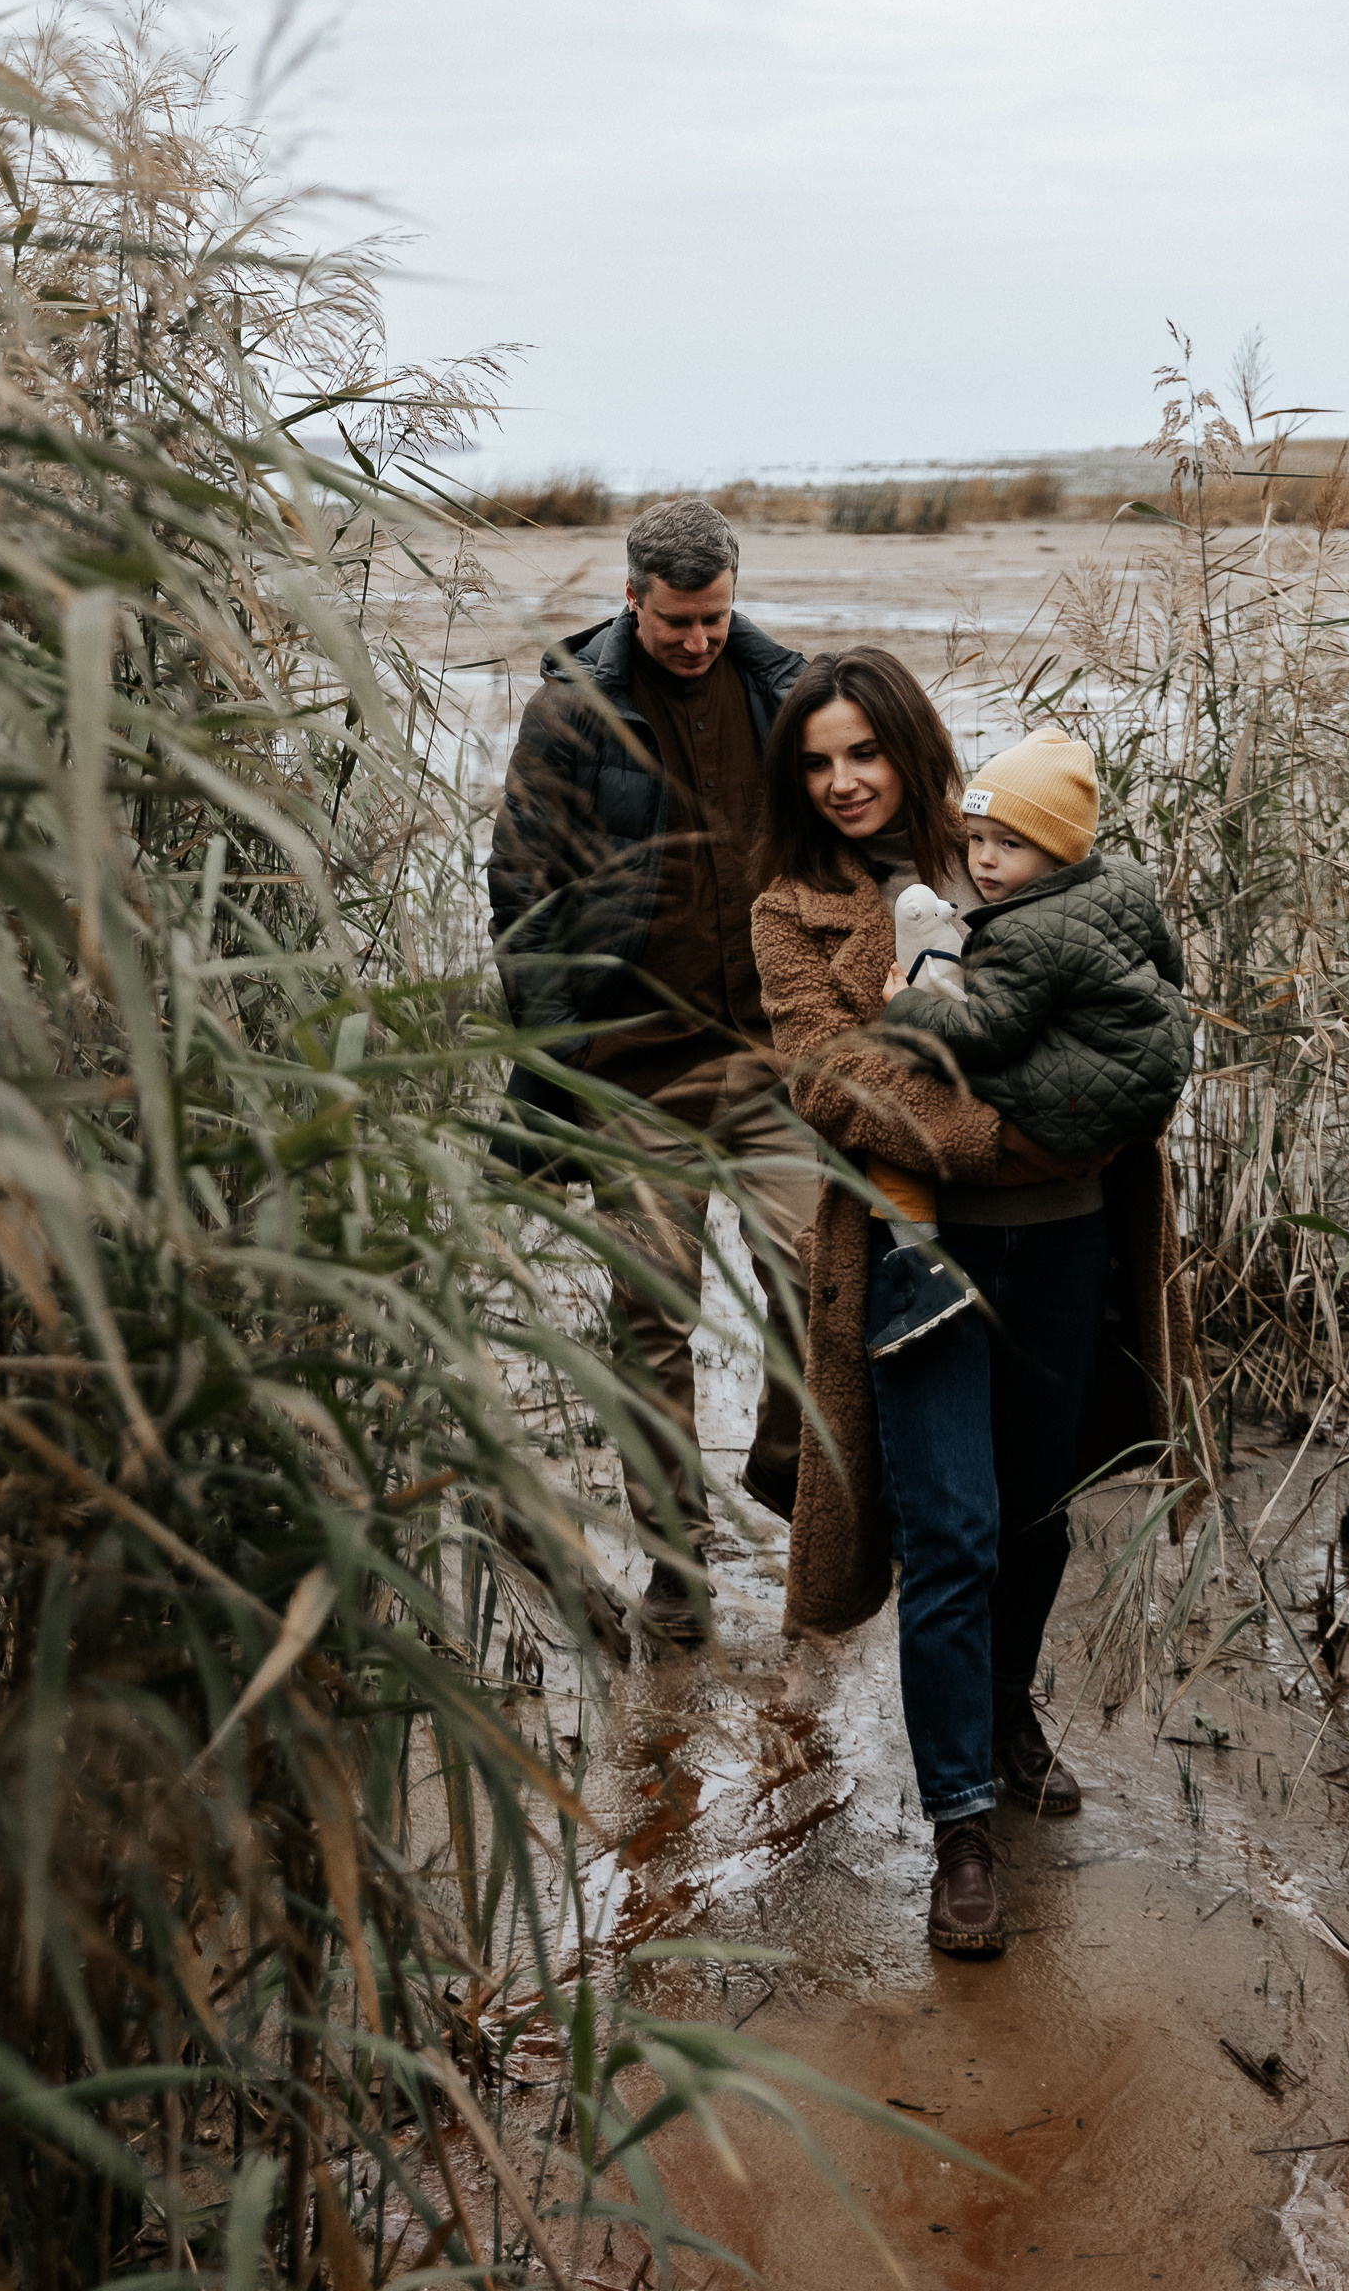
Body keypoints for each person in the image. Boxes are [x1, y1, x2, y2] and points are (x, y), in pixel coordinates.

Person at [748, 650, 1201, 1959]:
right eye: (817, 763)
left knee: (1033, 1514)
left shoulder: (1006, 851)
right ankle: (959, 1830)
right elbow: (830, 1081)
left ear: (909, 747)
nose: (841, 783)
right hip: (913, 1257)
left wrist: (1075, 1124)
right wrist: (1022, 1136)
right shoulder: (792, 912)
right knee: (949, 1534)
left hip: (1065, 1252)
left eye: (862, 754)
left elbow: (1139, 1003)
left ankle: (1006, 1714)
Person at [488, 494, 811, 1644]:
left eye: (713, 615)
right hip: (638, 1073)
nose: (695, 639)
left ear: (734, 592)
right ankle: (679, 1573)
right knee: (651, 1328)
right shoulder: (572, 711)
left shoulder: (783, 685)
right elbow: (523, 894)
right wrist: (565, 1064)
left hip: (772, 1057)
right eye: (675, 620)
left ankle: (787, 1485)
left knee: (821, 1289)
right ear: (633, 599)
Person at [867, 728, 1192, 1363]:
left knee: (905, 1089)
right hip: (1150, 1070)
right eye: (977, 840)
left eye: (1009, 844)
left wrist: (906, 1008)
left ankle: (921, 1268)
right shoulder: (1125, 884)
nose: (984, 862)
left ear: (1060, 853)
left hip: (1078, 1102)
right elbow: (1169, 971)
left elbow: (986, 1034)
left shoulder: (1023, 932)